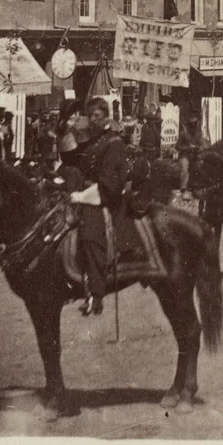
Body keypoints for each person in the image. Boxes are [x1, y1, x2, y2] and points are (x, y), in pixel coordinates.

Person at [70, 98, 128, 316]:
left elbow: (110, 181)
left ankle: (96, 293)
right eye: (90, 116)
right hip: (88, 191)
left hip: (105, 195)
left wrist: (83, 195)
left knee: (90, 231)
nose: (93, 120)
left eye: (97, 116)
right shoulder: (95, 141)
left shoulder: (114, 142)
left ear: (106, 117)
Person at [177, 113, 205, 195]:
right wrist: (188, 148)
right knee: (184, 167)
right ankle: (183, 188)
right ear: (189, 126)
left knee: (201, 166)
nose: (194, 127)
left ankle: (197, 185)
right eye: (192, 125)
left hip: (195, 155)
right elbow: (178, 146)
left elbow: (201, 144)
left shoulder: (199, 134)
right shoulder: (184, 134)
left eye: (195, 125)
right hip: (185, 155)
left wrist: (200, 147)